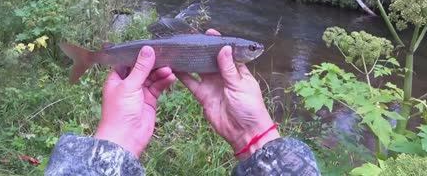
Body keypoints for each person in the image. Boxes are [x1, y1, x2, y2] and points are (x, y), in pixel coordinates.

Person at [45, 29, 320, 175]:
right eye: (251, 48)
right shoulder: (223, 49)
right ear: (233, 50)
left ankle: (90, 58)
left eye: (253, 48)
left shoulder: (226, 51)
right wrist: (256, 135)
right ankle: (89, 58)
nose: (256, 51)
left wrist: (117, 138)